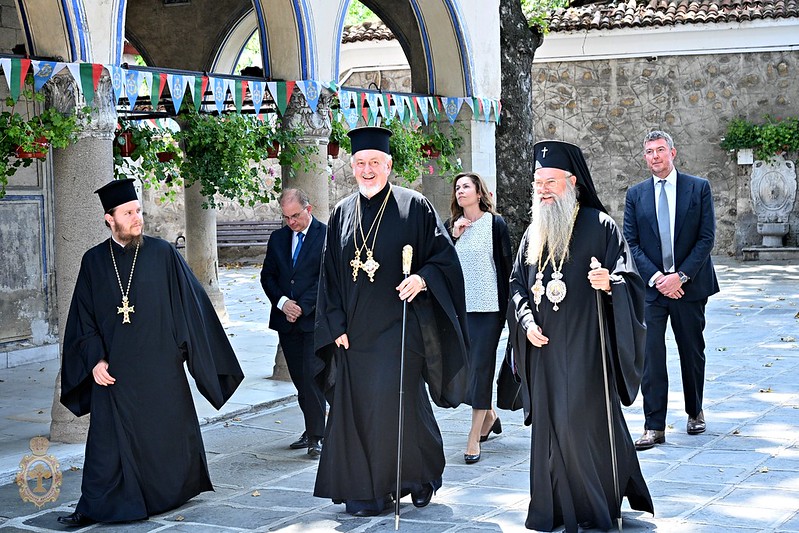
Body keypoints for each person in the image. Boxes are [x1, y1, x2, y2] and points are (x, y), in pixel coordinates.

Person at [57, 178, 244, 527]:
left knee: (164, 440)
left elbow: (193, 309)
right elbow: (83, 320)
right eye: (128, 213)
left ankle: (165, 495)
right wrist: (95, 360)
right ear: (109, 219)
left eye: (138, 210)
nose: (137, 217)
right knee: (105, 447)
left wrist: (197, 359)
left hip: (161, 369)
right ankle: (93, 506)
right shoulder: (94, 262)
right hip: (115, 374)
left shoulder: (162, 254)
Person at [314, 126, 469, 517]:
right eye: (360, 163)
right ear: (351, 166)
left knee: (398, 409)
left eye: (374, 163)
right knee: (358, 413)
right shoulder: (341, 213)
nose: (367, 171)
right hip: (353, 335)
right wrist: (334, 326)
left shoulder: (413, 206)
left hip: (400, 329)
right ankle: (365, 491)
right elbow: (329, 276)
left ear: (389, 165)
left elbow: (445, 260)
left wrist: (422, 278)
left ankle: (413, 479)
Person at [508, 140, 654, 532]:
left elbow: (631, 281)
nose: (542, 189)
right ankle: (552, 508)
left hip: (589, 353)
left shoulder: (600, 226)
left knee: (581, 427)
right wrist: (525, 320)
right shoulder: (532, 233)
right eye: (537, 182)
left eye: (550, 181)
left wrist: (611, 284)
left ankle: (594, 507)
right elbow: (517, 285)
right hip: (545, 351)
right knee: (551, 432)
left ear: (572, 181)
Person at [623, 130, 719, 451]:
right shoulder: (635, 195)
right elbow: (632, 244)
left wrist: (680, 277)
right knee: (651, 355)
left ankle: (694, 411)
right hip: (651, 290)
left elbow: (706, 238)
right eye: (649, 152)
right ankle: (654, 426)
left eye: (660, 150)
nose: (654, 157)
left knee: (691, 351)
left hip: (689, 287)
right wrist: (658, 279)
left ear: (672, 153)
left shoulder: (698, 188)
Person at [446, 172, 512, 464]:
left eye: (466, 187)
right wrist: (454, 237)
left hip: (488, 310)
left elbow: (506, 268)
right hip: (463, 312)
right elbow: (443, 267)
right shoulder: (453, 229)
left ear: (478, 193)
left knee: (480, 371)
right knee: (466, 368)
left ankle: (473, 439)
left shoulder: (494, 224)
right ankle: (489, 416)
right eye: (457, 187)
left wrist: (508, 313)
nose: (460, 191)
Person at [260, 188, 327, 457]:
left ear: (308, 209)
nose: (291, 222)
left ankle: (316, 436)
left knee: (312, 376)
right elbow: (268, 276)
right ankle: (313, 427)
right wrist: (283, 303)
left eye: (295, 216)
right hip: (286, 321)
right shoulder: (278, 238)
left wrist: (302, 306)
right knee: (299, 379)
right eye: (286, 217)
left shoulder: (325, 235)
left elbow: (325, 277)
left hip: (313, 320)